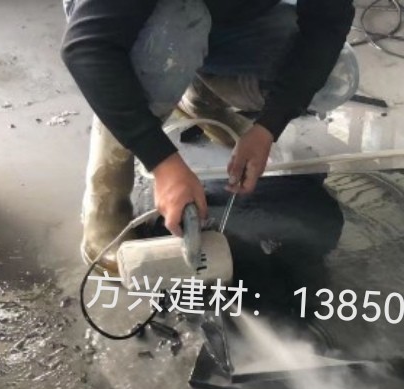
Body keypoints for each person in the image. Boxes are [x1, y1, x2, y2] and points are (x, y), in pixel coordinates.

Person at [61, 0, 358, 273]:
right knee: (180, 24)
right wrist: (162, 162)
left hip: (231, 19)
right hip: (132, 21)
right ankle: (106, 192)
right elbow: (89, 47)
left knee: (337, 74)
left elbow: (326, 23)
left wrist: (268, 126)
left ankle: (200, 95)